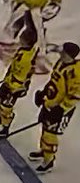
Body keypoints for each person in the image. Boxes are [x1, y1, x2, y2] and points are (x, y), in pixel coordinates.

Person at [31, 41, 79, 173]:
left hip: (61, 109)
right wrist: (44, 92)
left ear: (69, 55)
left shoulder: (75, 72)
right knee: (44, 128)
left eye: (63, 52)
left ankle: (49, 160)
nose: (60, 53)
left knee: (50, 134)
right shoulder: (60, 63)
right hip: (50, 102)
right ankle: (43, 151)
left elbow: (75, 95)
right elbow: (54, 80)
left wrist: (62, 108)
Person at [0, 28, 39, 138]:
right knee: (1, 98)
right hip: (10, 81)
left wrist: (17, 86)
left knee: (7, 105)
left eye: (22, 37)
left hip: (15, 85)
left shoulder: (26, 58)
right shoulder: (24, 51)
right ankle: (0, 118)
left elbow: (24, 74)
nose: (19, 38)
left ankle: (4, 128)